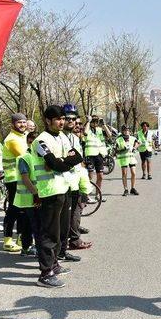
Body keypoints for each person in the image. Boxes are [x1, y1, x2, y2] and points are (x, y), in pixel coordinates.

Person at [32, 105, 83, 288]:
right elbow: (54, 164)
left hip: (65, 188)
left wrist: (64, 161)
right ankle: (45, 274)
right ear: (47, 120)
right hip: (50, 191)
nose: (62, 122)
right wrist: (62, 161)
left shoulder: (62, 137)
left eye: (63, 118)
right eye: (58, 119)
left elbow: (77, 156)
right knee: (49, 234)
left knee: (61, 231)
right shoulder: (40, 141)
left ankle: (54, 264)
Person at [61, 105, 92, 257]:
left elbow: (79, 163)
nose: (72, 121)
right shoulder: (58, 137)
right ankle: (64, 248)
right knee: (63, 218)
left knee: (75, 212)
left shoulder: (74, 137)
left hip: (75, 182)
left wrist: (84, 185)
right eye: (68, 118)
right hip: (61, 185)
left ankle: (71, 242)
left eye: (74, 119)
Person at [1, 113, 29, 252]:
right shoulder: (12, 139)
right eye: (19, 123)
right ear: (12, 125)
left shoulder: (21, 136)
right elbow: (24, 155)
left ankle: (20, 238)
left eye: (24, 122)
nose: (22, 125)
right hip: (13, 179)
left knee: (22, 210)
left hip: (20, 179)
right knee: (13, 210)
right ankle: (7, 240)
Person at [14, 132, 40, 257]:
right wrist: (36, 194)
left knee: (28, 224)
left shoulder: (36, 156)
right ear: (29, 142)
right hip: (29, 198)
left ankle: (26, 248)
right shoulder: (24, 157)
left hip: (32, 197)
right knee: (34, 225)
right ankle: (35, 249)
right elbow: (25, 179)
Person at [83, 115, 111, 194]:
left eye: (96, 121)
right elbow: (85, 133)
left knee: (101, 176)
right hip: (90, 155)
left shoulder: (99, 130)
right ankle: (87, 195)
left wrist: (104, 125)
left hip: (99, 155)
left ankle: (97, 195)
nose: (95, 123)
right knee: (90, 176)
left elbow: (110, 135)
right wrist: (88, 121)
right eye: (93, 121)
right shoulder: (87, 129)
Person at [116, 125, 140, 196]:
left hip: (131, 158)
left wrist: (134, 148)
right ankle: (125, 189)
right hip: (123, 158)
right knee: (124, 174)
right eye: (125, 130)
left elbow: (138, 143)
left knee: (133, 173)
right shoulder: (118, 139)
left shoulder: (132, 138)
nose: (126, 132)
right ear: (122, 131)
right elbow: (116, 150)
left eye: (128, 130)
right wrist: (122, 149)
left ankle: (133, 188)